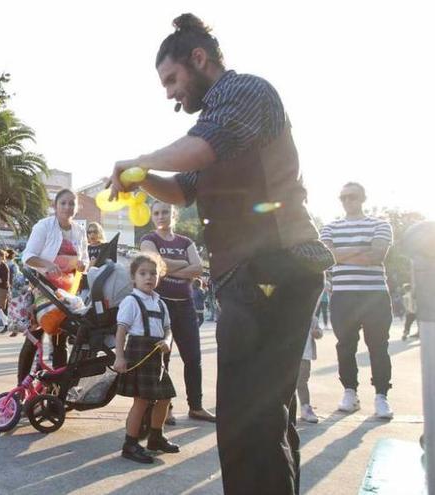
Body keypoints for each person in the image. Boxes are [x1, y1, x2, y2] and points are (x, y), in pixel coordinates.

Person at [108, 14, 331, 493]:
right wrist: (143, 178)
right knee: (264, 412)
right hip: (253, 275)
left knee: (247, 416)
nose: (169, 93)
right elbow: (184, 188)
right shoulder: (213, 122)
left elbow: (202, 147)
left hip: (275, 264)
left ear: (199, 59)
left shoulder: (247, 93)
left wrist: (141, 161)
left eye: (172, 79)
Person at [321, 182, 395, 419]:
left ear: (362, 198)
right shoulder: (330, 227)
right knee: (345, 346)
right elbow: (325, 258)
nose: (347, 201)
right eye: (342, 197)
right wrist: (359, 250)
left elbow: (377, 255)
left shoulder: (381, 224)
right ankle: (350, 392)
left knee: (378, 346)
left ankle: (381, 395)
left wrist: (340, 254)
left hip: (374, 294)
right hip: (343, 295)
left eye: (352, 197)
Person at [140, 200, 215, 423]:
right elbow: (155, 265)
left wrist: (168, 266)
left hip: (186, 305)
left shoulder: (186, 241)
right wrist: (183, 264)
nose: (161, 216)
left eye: (165, 212)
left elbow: (199, 268)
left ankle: (197, 406)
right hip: (160, 305)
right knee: (163, 359)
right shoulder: (148, 239)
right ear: (152, 216)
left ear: (174, 216)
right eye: (157, 213)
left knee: (193, 358)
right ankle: (166, 408)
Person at [113, 253, 179, 463]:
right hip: (138, 353)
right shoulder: (131, 301)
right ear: (134, 277)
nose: (148, 277)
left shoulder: (161, 303)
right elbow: (121, 331)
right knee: (141, 402)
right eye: (143, 273)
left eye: (153, 273)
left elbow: (168, 329)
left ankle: (156, 437)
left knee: (165, 397)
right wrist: (119, 357)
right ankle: (130, 444)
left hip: (156, 356)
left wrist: (167, 341)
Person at [18, 189, 89, 383]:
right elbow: (28, 257)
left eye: (71, 203)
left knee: (60, 342)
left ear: (76, 207)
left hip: (66, 293)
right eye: (63, 203)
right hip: (43, 290)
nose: (67, 207)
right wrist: (48, 265)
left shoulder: (79, 230)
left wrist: (83, 265)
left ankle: (58, 390)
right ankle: (20, 389)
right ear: (55, 206)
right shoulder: (44, 226)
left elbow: (85, 260)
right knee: (34, 339)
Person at [297, 297, 325, 424]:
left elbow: (319, 332)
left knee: (302, 382)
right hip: (291, 356)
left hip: (305, 356)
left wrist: (317, 333)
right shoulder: (289, 316)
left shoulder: (313, 319)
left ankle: (305, 407)